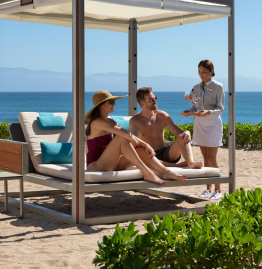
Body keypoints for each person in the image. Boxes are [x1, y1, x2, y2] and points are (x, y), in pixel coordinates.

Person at [85, 90, 187, 184]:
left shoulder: (111, 121)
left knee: (140, 150)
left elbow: (130, 136)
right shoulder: (97, 122)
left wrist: (144, 146)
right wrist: (146, 144)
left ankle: (166, 172)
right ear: (101, 105)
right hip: (96, 166)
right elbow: (125, 134)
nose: (114, 104)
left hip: (112, 163)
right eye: (111, 101)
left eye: (114, 101)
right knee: (121, 137)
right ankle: (147, 173)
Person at [181, 59, 225, 200]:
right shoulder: (196, 87)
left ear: (212, 71)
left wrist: (209, 112)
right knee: (205, 158)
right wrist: (189, 111)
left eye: (204, 72)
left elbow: (221, 109)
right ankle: (208, 189)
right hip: (200, 124)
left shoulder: (218, 86)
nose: (201, 75)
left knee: (212, 158)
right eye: (199, 72)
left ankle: (218, 190)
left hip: (213, 124)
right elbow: (195, 106)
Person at [129, 87, 203, 169]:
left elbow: (179, 133)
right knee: (141, 153)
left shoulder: (162, 115)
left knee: (183, 136)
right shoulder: (135, 120)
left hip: (165, 154)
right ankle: (177, 165)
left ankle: (191, 163)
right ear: (142, 103)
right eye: (151, 99)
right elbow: (134, 144)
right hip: (148, 155)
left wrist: (187, 132)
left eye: (155, 98)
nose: (155, 101)